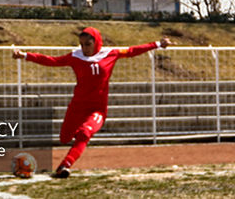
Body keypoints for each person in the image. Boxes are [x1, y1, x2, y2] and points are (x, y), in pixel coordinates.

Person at [13, 27, 170, 178]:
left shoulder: (110, 53)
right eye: (81, 44)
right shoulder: (76, 56)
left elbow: (132, 51)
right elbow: (52, 60)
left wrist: (157, 44)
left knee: (84, 133)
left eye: (88, 44)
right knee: (64, 138)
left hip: (97, 109)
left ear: (97, 42)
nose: (84, 48)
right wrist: (25, 55)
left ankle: (64, 166)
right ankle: (77, 140)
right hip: (77, 106)